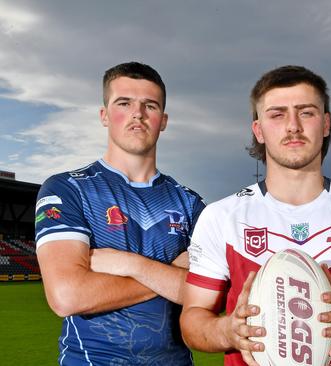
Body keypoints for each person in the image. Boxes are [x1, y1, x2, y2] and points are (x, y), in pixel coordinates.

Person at [180, 65, 331, 366]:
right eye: (277, 114)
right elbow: (192, 321)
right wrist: (228, 331)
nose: (293, 126)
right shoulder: (222, 216)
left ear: (325, 124)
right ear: (258, 130)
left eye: (306, 112)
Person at [35, 62, 205, 365]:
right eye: (124, 103)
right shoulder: (68, 189)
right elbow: (67, 296)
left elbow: (207, 296)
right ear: (104, 116)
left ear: (163, 120)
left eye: (149, 105)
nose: (137, 113)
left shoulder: (190, 204)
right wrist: (171, 275)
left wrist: (131, 265)